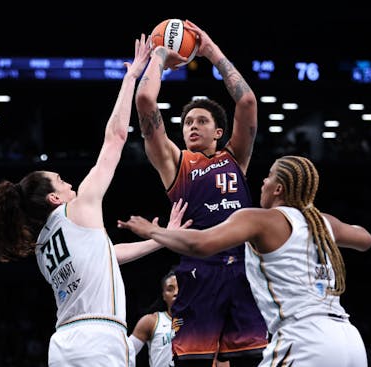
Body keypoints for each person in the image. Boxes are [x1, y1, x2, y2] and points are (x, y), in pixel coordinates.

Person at [0, 34, 193, 367]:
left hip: (63, 344)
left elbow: (105, 257)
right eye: (61, 181)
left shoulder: (44, 246)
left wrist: (160, 239)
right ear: (54, 197)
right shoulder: (78, 208)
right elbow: (115, 137)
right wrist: (131, 78)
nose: (70, 182)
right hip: (99, 340)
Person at [118, 155, 371, 367]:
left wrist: (153, 231)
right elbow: (366, 239)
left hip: (304, 340)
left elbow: (201, 244)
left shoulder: (261, 219)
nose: (263, 181)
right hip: (349, 340)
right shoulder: (322, 223)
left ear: (278, 188)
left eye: (270, 175)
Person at [135, 19, 267, 366]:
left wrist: (210, 51)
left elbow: (249, 101)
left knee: (251, 361)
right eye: (188, 122)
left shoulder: (234, 157)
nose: (192, 126)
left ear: (218, 131)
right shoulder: (175, 163)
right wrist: (160, 56)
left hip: (244, 270)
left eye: (201, 121)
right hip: (198, 272)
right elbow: (147, 100)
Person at [128, 270, 178, 367]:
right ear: (163, 295)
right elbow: (125, 354)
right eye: (170, 289)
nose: (176, 293)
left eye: (180, 288)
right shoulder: (151, 322)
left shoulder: (200, 324)